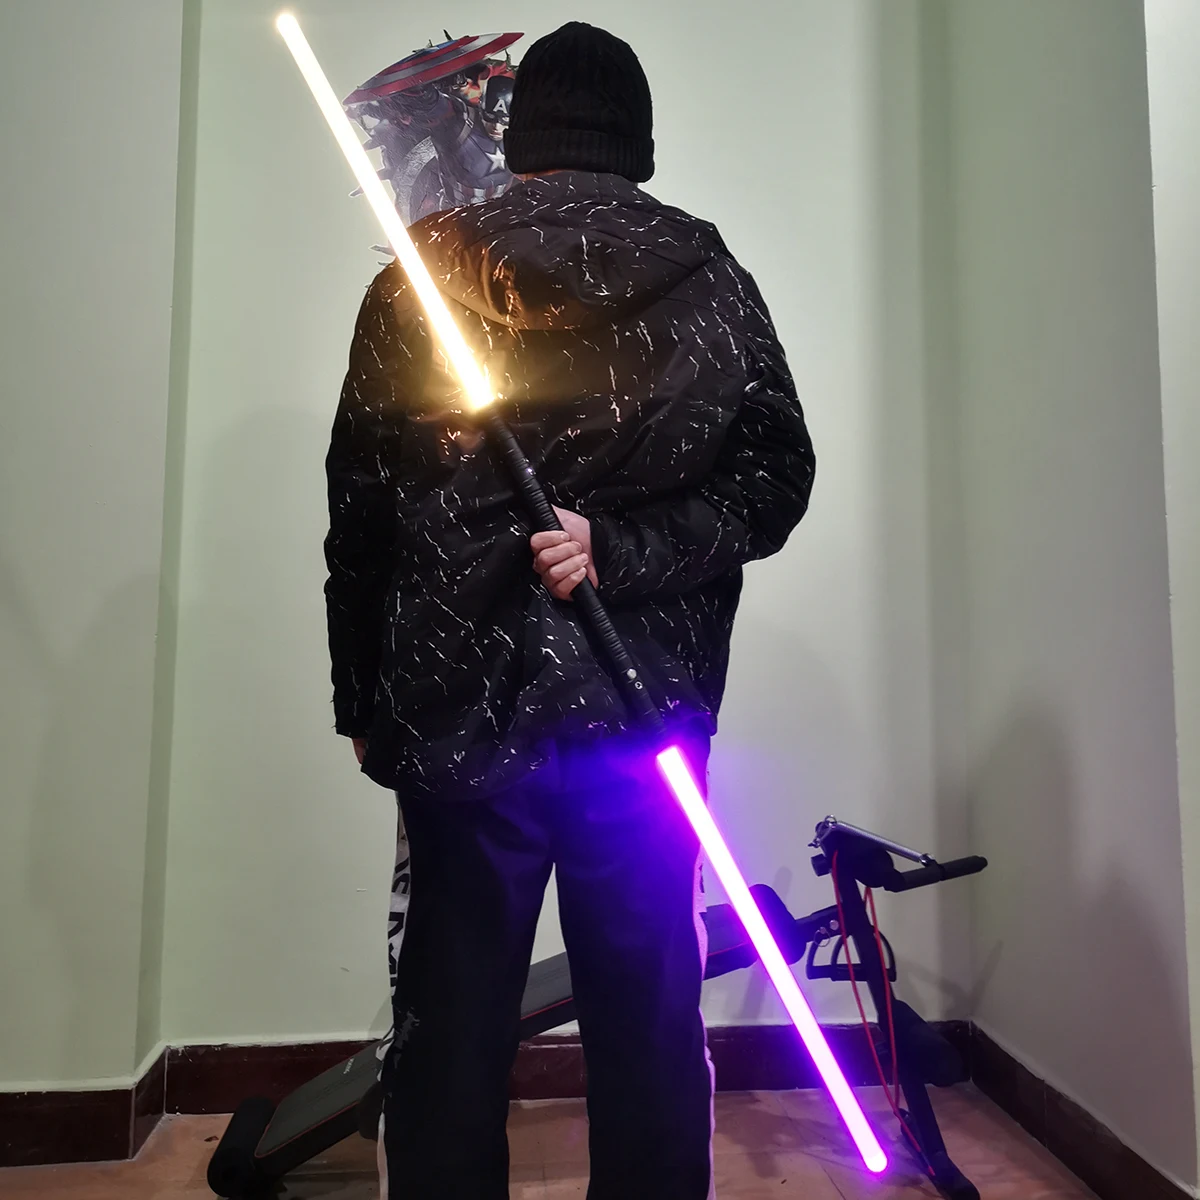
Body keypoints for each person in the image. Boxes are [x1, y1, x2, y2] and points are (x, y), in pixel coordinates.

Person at [324, 21, 815, 1200]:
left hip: (456, 712)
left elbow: (361, 510)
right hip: (642, 717)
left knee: (450, 1027)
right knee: (646, 1017)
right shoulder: (709, 279)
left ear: (521, 135)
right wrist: (628, 551)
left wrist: (361, 700)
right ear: (637, 141)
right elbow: (775, 480)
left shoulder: (420, 274)